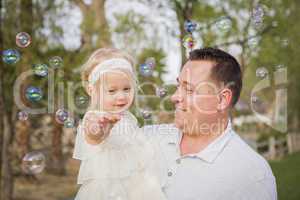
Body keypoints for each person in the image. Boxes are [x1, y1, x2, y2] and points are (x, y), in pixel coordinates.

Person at [83, 47, 277, 200]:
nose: (175, 97)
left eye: (189, 90)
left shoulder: (252, 175)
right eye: (178, 85)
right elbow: (101, 160)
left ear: (222, 100)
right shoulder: (145, 138)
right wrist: (96, 131)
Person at [73, 48, 166, 200]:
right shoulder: (95, 117)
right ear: (92, 90)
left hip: (138, 186)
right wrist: (100, 129)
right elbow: (92, 136)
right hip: (108, 189)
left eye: (127, 89)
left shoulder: (128, 118)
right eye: (112, 91)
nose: (121, 96)